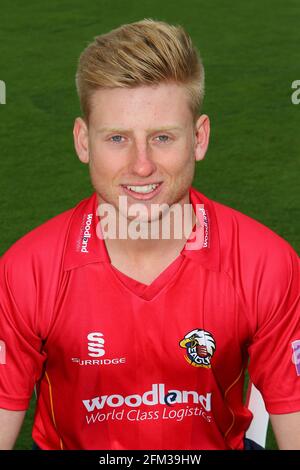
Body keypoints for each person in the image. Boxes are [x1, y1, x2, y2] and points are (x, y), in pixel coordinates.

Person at [0, 19, 299, 451]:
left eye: (162, 137)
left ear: (199, 138)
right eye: (118, 138)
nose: (142, 166)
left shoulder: (266, 263)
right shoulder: (25, 272)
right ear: (84, 142)